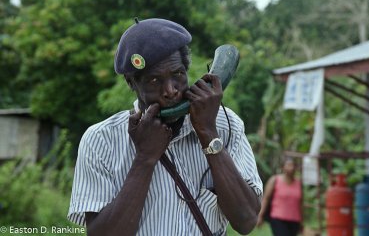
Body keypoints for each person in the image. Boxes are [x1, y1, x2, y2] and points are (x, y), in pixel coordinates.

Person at [67, 18, 262, 236]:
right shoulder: (101, 140)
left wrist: (208, 132)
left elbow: (246, 221)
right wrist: (144, 159)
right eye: (153, 80)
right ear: (132, 83)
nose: (170, 90)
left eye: (178, 74)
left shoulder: (225, 125)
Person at [257, 157, 302, 236]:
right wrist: (260, 216)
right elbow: (266, 199)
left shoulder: (298, 183)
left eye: (293, 165)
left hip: (295, 221)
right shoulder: (275, 180)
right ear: (283, 167)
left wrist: (302, 221)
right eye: (288, 165)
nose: (291, 168)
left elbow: (300, 203)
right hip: (278, 219)